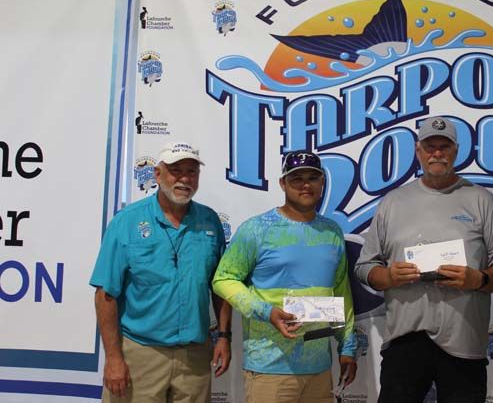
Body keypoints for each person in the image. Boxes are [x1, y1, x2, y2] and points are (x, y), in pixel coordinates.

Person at [355, 116, 493, 403]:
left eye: (444, 146)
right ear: (418, 151)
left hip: (464, 342)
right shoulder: (393, 201)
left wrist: (479, 279)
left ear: (456, 151)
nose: (437, 153)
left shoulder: (482, 200)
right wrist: (388, 277)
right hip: (404, 339)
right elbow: (365, 267)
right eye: (430, 147)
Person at [90, 141, 232, 402]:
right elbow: (105, 295)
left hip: (195, 357)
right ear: (157, 174)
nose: (184, 178)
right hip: (140, 354)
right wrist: (113, 358)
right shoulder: (127, 221)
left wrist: (224, 336)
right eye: (176, 170)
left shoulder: (210, 221)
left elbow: (222, 286)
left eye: (192, 172)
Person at [213, 150, 357, 403]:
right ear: (282, 183)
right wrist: (266, 311)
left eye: (313, 178)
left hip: (319, 369)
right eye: (296, 178)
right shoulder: (256, 229)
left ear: (322, 182)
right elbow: (223, 280)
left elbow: (340, 292)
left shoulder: (332, 232)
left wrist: (347, 347)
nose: (305, 185)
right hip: (270, 367)